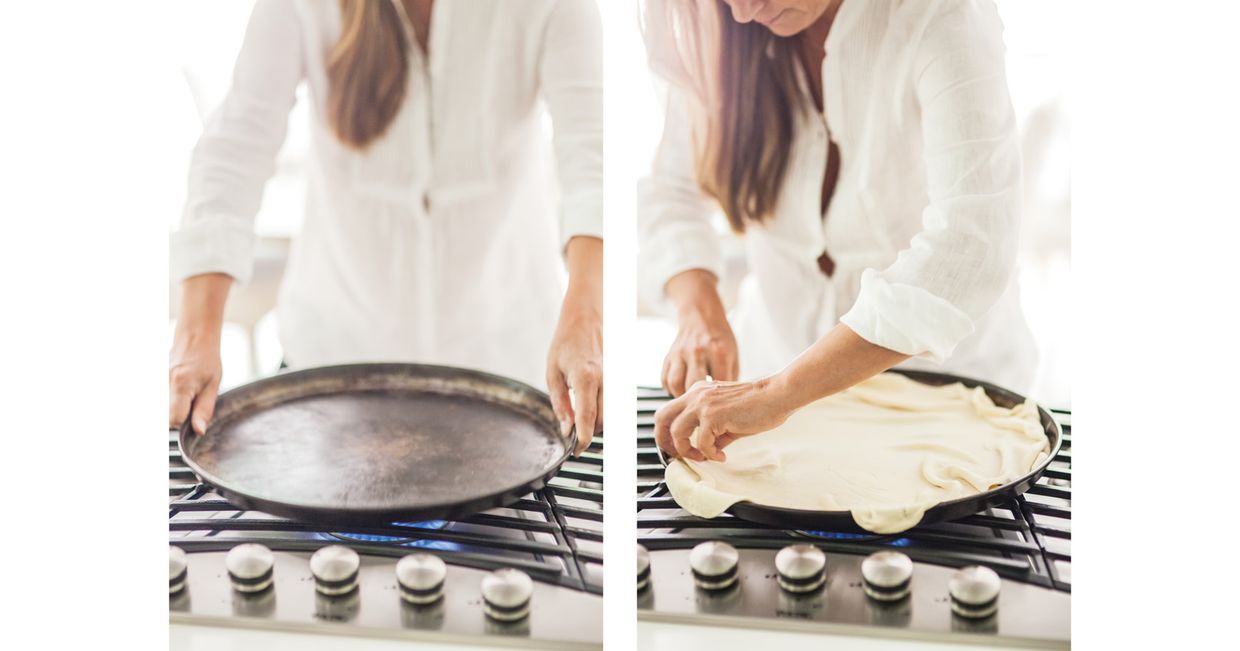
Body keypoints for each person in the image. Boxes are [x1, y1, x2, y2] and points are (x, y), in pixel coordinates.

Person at [168, 0, 603, 454]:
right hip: (331, 373)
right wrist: (197, 332)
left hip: (509, 376)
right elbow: (237, 147)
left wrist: (586, 314)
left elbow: (593, 152)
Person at [640, 0, 1034, 462]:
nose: (743, 14)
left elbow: (969, 246)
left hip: (949, 409)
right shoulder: (718, 27)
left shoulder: (944, 14)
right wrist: (700, 315)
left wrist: (779, 392)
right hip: (767, 398)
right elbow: (671, 195)